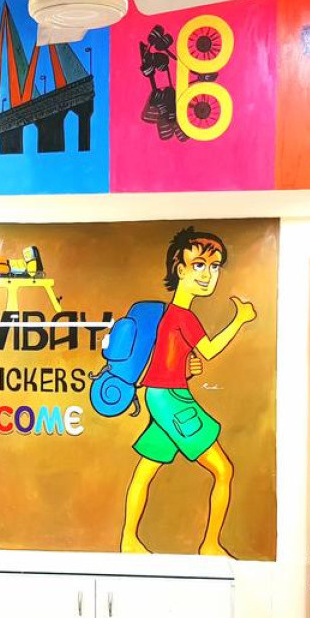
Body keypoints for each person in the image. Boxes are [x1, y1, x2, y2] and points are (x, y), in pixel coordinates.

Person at [121, 227, 257, 556]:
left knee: (146, 469)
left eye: (214, 266)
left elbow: (164, 364)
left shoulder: (169, 317)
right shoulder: (183, 317)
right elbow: (209, 350)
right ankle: (210, 545)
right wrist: (239, 320)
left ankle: (128, 541)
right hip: (171, 399)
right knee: (223, 470)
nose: (208, 274)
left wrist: (185, 370)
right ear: (180, 270)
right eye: (199, 265)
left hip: (160, 395)